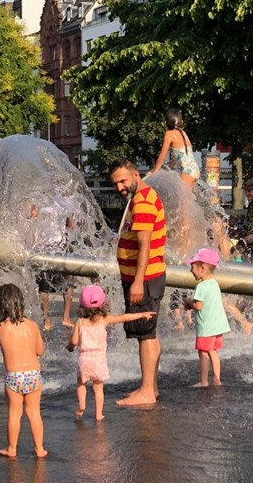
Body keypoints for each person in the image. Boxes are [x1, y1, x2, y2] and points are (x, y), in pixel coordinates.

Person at [110, 158, 167, 407]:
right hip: (147, 277)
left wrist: (137, 281)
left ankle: (146, 391)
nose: (119, 187)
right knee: (149, 333)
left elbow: (145, 245)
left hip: (144, 279)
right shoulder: (140, 198)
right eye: (115, 183)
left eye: (123, 181)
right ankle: (150, 387)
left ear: (135, 175)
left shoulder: (143, 201)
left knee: (145, 334)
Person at [67, 284, 157, 421]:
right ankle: (98, 414)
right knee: (98, 389)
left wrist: (70, 347)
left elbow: (73, 341)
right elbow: (124, 317)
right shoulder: (104, 319)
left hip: (84, 360)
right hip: (99, 361)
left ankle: (82, 406)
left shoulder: (79, 322)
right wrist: (142, 314)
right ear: (102, 303)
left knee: (81, 383)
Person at [0, 284, 47, 459]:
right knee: (34, 413)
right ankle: (40, 449)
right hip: (33, 375)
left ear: (0, 305)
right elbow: (40, 351)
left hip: (14, 377)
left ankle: (12, 449)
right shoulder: (32, 325)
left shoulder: (0, 327)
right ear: (20, 302)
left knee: (14, 413)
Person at [182, 248, 232, 387]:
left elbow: (198, 306)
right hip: (217, 326)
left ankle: (204, 381)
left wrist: (188, 302)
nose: (191, 271)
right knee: (213, 352)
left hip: (206, 326)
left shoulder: (201, 287)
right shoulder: (214, 283)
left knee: (203, 352)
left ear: (202, 267)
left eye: (193, 267)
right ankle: (217, 379)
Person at [150, 107, 201, 188]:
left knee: (181, 196)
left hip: (187, 172)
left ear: (167, 121)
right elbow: (181, 153)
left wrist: (154, 172)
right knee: (187, 196)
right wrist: (171, 164)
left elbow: (162, 155)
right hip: (194, 169)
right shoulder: (182, 133)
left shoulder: (169, 134)